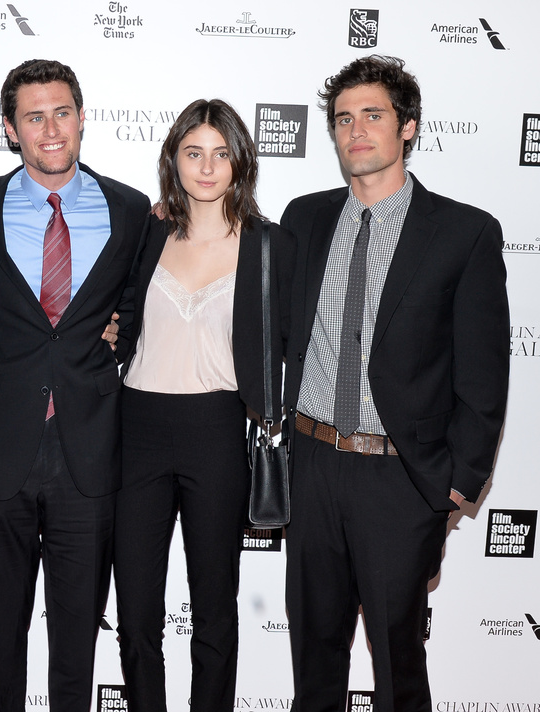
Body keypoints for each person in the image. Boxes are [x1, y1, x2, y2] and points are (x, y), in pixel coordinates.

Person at [282, 55, 509, 712]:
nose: (356, 130)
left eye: (373, 115)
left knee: (398, 667)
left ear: (407, 127)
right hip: (312, 466)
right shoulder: (303, 219)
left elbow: (484, 376)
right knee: (314, 662)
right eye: (343, 119)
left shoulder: (464, 233)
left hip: (400, 478)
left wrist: (456, 486)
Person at [0, 59, 151, 712]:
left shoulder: (130, 209)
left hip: (90, 450)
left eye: (62, 113)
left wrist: (121, 337)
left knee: (77, 639)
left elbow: (137, 307)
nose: (51, 129)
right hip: (1, 448)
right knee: (1, 631)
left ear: (82, 119)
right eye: (34, 117)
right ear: (10, 128)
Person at [111, 99, 293, 712]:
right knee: (136, 613)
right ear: (174, 160)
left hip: (217, 430)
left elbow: (295, 345)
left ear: (241, 161)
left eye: (221, 154)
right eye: (194, 153)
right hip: (136, 429)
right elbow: (115, 314)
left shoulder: (270, 245)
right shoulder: (147, 232)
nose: (207, 168)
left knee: (215, 612)